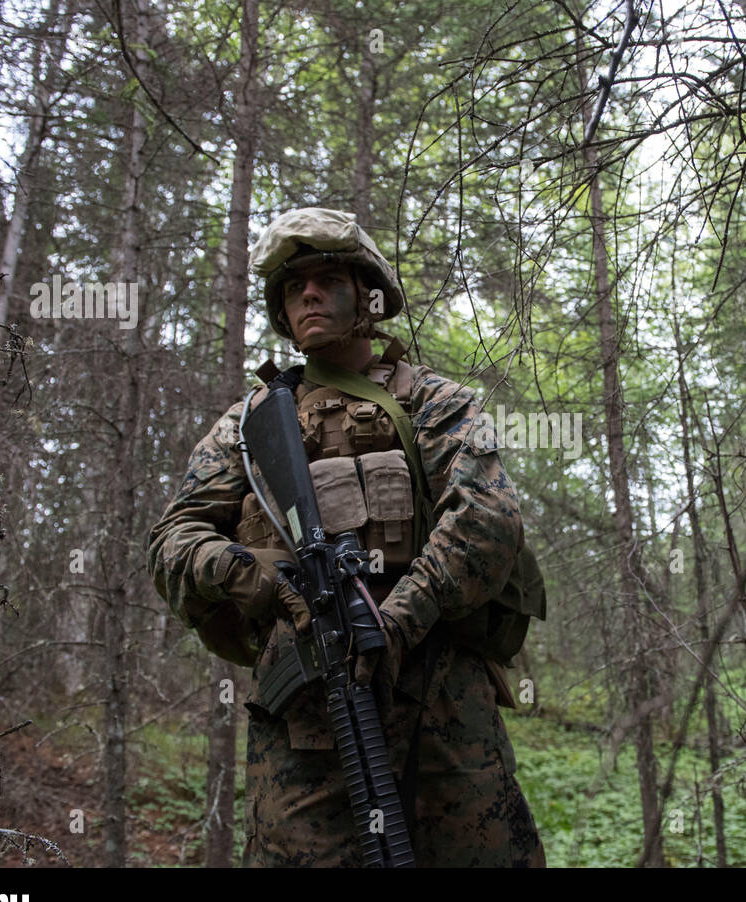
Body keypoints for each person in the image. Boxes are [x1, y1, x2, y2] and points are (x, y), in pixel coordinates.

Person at [147, 207, 546, 867]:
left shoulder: (437, 403)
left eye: (326, 277)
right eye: (292, 283)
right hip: (305, 723)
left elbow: (488, 516)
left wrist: (400, 615)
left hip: (444, 715)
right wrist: (261, 579)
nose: (306, 292)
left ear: (368, 296)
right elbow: (171, 540)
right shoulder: (247, 426)